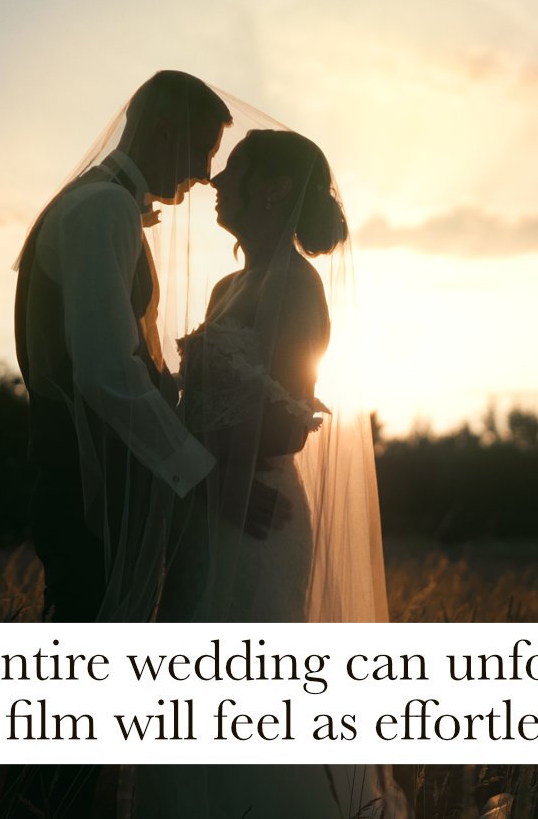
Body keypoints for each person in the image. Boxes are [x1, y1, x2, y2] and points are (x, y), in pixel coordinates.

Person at [128, 129, 406, 817]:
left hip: (255, 509)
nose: (217, 182)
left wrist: (221, 477)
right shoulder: (230, 284)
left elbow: (291, 417)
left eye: (235, 170)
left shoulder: (296, 286)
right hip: (208, 503)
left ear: (276, 188)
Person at [14, 70, 230, 626]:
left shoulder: (99, 204)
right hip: (88, 490)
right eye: (204, 149)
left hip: (90, 481)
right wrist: (196, 474)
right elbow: (106, 371)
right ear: (161, 130)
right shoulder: (103, 210)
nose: (207, 174)